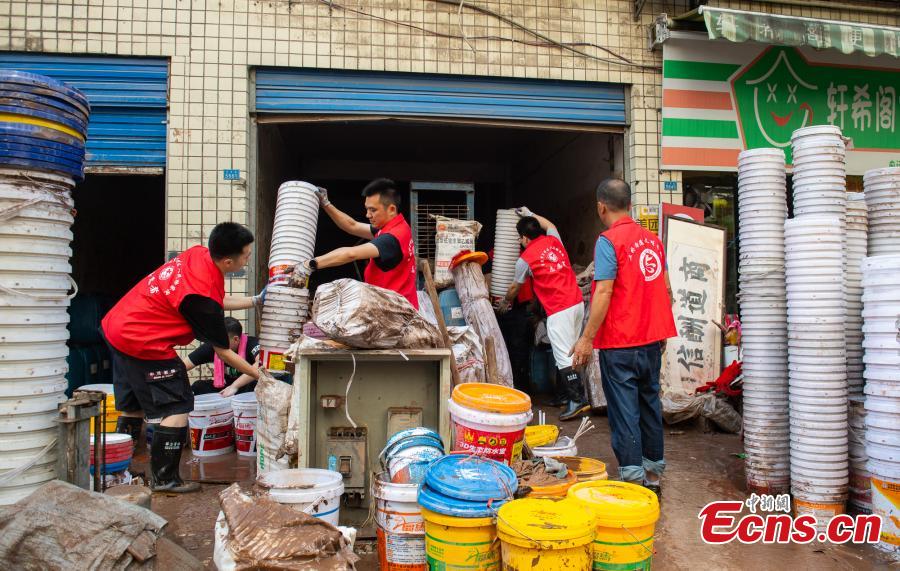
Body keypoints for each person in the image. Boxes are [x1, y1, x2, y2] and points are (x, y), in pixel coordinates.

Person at [101, 222, 263, 493]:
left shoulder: (198, 254)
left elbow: (215, 298)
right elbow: (222, 351)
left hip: (117, 327)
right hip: (144, 340)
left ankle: (120, 473)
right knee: (177, 407)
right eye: (246, 255)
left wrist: (256, 300)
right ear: (227, 260)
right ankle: (166, 480)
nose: (248, 258)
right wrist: (261, 375)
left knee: (133, 406)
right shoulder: (202, 300)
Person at [571, 178, 676, 496]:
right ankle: (653, 475)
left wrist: (587, 338)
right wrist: (660, 327)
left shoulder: (608, 241)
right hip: (651, 342)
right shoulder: (653, 241)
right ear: (629, 204)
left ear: (601, 206)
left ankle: (632, 479)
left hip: (621, 342)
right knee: (649, 405)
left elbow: (603, 291)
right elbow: (666, 288)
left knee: (624, 410)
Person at [498, 208, 590, 421]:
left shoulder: (525, 258)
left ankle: (578, 400)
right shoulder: (554, 240)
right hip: (576, 303)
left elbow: (514, 288)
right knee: (570, 350)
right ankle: (565, 396)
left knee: (563, 354)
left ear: (523, 237)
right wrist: (531, 213)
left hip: (559, 308)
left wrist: (505, 302)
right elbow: (551, 225)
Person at [294, 178, 418, 308]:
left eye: (373, 210)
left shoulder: (391, 238)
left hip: (395, 312)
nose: (367, 215)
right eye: (367, 209)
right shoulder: (395, 226)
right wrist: (326, 203)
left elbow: (350, 254)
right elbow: (352, 226)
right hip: (392, 304)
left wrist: (310, 265)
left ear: (391, 209)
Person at [184, 316, 260, 397]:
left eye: (221, 341)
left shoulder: (252, 344)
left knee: (255, 386)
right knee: (198, 387)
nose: (218, 345)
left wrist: (235, 386)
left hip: (244, 388)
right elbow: (182, 366)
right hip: (225, 387)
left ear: (236, 339)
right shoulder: (214, 346)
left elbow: (262, 366)